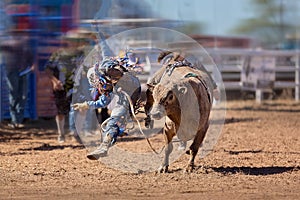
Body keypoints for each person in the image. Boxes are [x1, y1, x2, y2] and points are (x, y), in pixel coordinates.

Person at [72, 32, 141, 159]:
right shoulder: (105, 87)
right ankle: (104, 145)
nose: (101, 88)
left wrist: (98, 33)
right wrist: (86, 105)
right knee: (113, 122)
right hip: (125, 97)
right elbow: (102, 102)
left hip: (133, 89)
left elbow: (105, 48)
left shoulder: (106, 66)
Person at [45, 32, 88, 143]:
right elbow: (48, 69)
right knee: (61, 111)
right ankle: (61, 133)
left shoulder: (81, 54)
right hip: (61, 86)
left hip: (77, 86)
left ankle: (75, 132)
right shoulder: (58, 54)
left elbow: (86, 67)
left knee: (80, 108)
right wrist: (54, 81)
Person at [0, 31, 34, 128]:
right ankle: (14, 120)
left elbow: (31, 59)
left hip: (23, 72)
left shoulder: (26, 47)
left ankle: (18, 120)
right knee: (14, 95)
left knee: (22, 96)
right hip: (12, 72)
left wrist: (32, 66)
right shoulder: (9, 45)